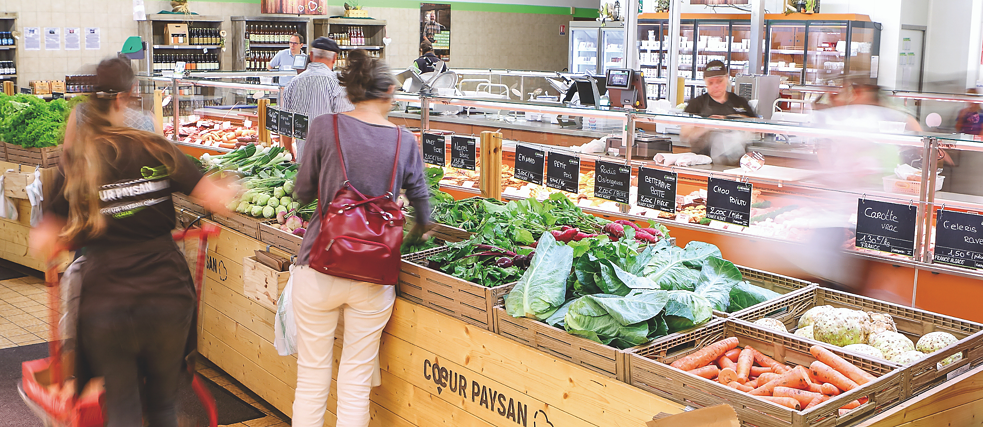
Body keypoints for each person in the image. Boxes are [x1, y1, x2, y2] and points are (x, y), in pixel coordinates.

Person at [29, 57, 234, 427]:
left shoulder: (77, 162)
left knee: (122, 406)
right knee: (161, 407)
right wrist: (234, 183)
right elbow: (216, 200)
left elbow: (43, 239)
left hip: (106, 301)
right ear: (128, 97)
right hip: (167, 295)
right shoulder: (156, 147)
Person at [289, 49, 430, 427]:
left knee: (312, 375)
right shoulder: (406, 140)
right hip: (374, 275)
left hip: (319, 263)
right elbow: (423, 214)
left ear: (349, 92)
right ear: (387, 91)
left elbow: (302, 191)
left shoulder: (324, 126)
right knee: (355, 379)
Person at [279, 37, 355, 162]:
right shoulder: (338, 83)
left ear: (312, 55)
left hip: (302, 161)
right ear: (335, 58)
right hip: (330, 162)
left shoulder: (292, 83)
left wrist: (289, 152)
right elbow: (346, 125)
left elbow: (285, 125)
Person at [680, 60, 756, 165]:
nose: (715, 86)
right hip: (705, 164)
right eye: (711, 83)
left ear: (727, 78)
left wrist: (729, 121)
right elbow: (685, 134)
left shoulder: (739, 102)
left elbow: (756, 127)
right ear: (705, 82)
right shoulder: (696, 104)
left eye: (719, 81)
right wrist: (708, 125)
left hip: (738, 165)